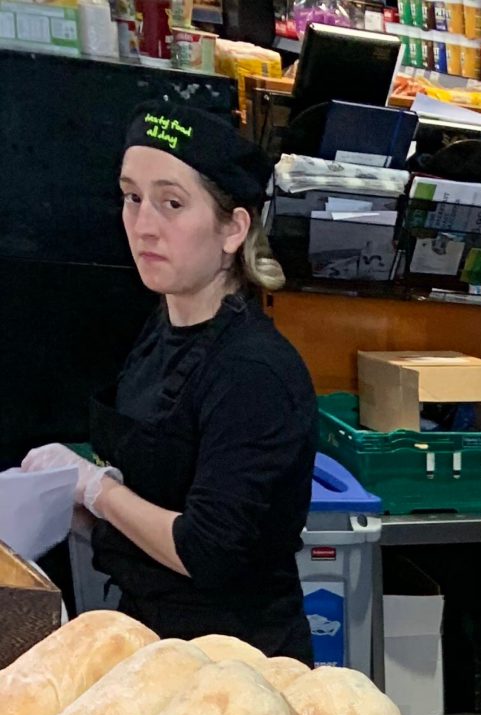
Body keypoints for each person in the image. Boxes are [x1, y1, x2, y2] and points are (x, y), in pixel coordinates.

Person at [21, 104, 317, 659]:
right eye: (132, 197)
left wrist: (97, 489)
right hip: (150, 639)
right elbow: (152, 489)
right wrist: (65, 504)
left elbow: (207, 550)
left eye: (172, 203)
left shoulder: (254, 373)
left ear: (233, 229)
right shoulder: (163, 327)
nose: (143, 226)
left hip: (234, 662)